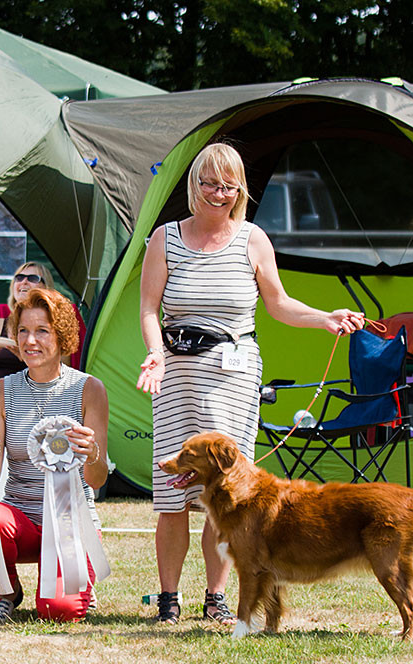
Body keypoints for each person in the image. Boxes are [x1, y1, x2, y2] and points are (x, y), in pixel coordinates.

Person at [136, 142, 365, 625]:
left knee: (225, 496)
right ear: (193, 183)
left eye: (229, 185)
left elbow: (279, 304)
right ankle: (167, 600)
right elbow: (149, 309)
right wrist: (155, 355)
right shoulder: (165, 239)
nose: (219, 194)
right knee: (171, 492)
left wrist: (327, 318)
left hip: (233, 374)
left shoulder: (253, 239)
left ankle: (217, 597)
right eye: (210, 183)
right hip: (174, 372)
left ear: (240, 190)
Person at [0, 288, 110, 624]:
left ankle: (77, 579)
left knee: (58, 613)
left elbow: (96, 480)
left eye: (42, 331)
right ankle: (7, 591)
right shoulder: (0, 392)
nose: (29, 341)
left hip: (70, 525)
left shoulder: (90, 389)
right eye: (22, 330)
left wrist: (92, 452)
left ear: (62, 336)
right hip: (19, 522)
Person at [0, 261, 87, 380]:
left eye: (33, 278)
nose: (24, 282)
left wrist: (28, 359)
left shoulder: (55, 325)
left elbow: (61, 377)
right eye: (19, 278)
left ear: (46, 288)